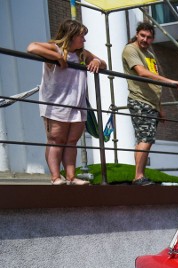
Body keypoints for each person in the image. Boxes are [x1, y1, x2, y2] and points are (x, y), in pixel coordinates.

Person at [28, 19, 106, 185]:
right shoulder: (54, 47)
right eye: (81, 36)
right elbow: (32, 47)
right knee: (56, 140)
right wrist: (57, 56)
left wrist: (97, 61)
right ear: (70, 35)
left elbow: (103, 64)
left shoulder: (82, 53)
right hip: (56, 103)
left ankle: (71, 177)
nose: (84, 40)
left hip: (77, 105)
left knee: (71, 142)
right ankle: (55, 177)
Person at [122, 22, 178, 185]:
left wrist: (160, 108)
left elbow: (154, 85)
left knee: (144, 139)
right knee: (146, 138)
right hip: (140, 100)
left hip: (151, 103)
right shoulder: (131, 49)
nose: (145, 39)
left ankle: (138, 175)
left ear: (152, 39)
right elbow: (142, 73)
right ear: (137, 34)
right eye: (142, 35)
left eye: (149, 37)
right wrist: (171, 81)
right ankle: (138, 177)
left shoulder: (150, 55)